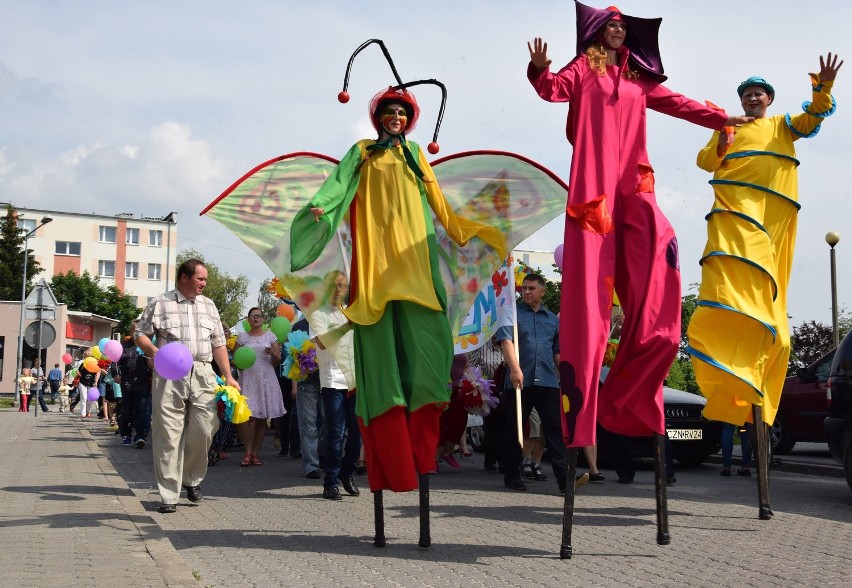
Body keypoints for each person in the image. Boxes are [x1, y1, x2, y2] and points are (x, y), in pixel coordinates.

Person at [525, 2, 751, 451]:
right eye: (609, 27)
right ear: (597, 33)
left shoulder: (637, 76)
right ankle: (584, 414)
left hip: (634, 184)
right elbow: (552, 90)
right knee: (589, 303)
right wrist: (538, 69)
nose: (616, 32)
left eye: (621, 28)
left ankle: (637, 379)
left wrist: (719, 118)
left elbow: (677, 103)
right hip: (594, 192)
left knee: (660, 257)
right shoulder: (583, 68)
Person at [290, 86, 506, 494]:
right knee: (381, 366)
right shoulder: (363, 151)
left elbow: (437, 200)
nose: (396, 118)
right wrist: (322, 206)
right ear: (378, 118)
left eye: (402, 113)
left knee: (429, 353)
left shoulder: (416, 154)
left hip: (415, 266)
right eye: (389, 112)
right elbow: (337, 186)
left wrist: (464, 231)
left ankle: (421, 453)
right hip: (375, 269)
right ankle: (387, 461)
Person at [687, 55, 843, 431]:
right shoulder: (728, 126)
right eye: (747, 95)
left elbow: (814, 119)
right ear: (741, 101)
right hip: (734, 213)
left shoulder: (781, 126)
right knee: (735, 283)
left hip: (771, 218)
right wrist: (722, 138)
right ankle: (733, 358)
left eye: (758, 94)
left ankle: (758, 356)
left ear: (768, 99)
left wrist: (823, 88)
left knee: (768, 296)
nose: (752, 99)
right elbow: (705, 162)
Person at [134, 258, 239, 514]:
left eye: (205, 279)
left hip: (203, 371)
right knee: (168, 433)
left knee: (205, 428)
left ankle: (191, 478)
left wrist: (228, 376)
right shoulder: (161, 302)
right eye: (200, 278)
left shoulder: (209, 305)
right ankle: (169, 494)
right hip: (170, 373)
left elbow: (218, 343)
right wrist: (155, 352)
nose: (204, 283)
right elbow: (139, 332)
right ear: (184, 277)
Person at [497, 273, 582, 493]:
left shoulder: (552, 319)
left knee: (554, 429)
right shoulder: (512, 314)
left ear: (542, 291)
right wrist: (515, 369)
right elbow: (506, 342)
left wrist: (567, 376)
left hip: (547, 381)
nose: (526, 292)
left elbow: (557, 352)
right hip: (519, 381)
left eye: (532, 288)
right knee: (515, 429)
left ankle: (565, 479)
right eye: (524, 288)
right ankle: (512, 475)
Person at [309, 271, 361, 500]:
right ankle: (330, 481)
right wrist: (346, 326)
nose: (339, 289)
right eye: (335, 285)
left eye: (343, 285)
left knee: (357, 433)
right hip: (332, 381)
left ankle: (347, 473)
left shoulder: (350, 312)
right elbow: (322, 341)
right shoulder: (318, 314)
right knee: (336, 433)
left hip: (354, 381)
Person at [234, 307, 284, 467]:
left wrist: (274, 354)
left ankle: (255, 453)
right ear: (248, 320)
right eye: (252, 316)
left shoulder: (271, 336)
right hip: (248, 379)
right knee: (249, 417)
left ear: (263, 319)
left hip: (266, 378)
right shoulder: (242, 337)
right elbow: (235, 359)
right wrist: (240, 366)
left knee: (262, 418)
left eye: (258, 316)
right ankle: (247, 452)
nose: (255, 318)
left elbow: (277, 361)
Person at [117, 320, 153, 448]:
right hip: (127, 383)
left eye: (139, 330)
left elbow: (152, 364)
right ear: (131, 331)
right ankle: (126, 435)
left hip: (143, 383)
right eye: (134, 330)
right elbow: (115, 361)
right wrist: (116, 374)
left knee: (141, 411)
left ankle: (140, 436)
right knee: (126, 411)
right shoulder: (124, 345)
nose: (136, 333)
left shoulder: (147, 346)